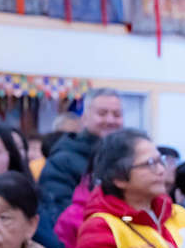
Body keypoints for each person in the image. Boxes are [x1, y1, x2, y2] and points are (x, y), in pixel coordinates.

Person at [38, 87, 123, 230]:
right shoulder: (63, 161)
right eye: (102, 113)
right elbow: (59, 214)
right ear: (84, 118)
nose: (110, 120)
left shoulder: (128, 157)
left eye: (117, 114)